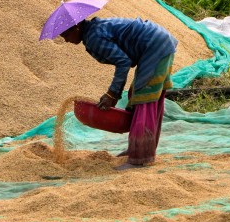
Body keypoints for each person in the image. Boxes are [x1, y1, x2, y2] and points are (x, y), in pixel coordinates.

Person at [59, 17, 177, 167]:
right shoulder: (93, 31)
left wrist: (112, 93)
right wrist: (114, 93)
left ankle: (140, 157)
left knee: (144, 97)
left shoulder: (94, 36)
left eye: (66, 36)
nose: (66, 41)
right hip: (159, 42)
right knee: (137, 95)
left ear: (76, 28)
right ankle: (138, 149)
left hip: (155, 45)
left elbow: (123, 61)